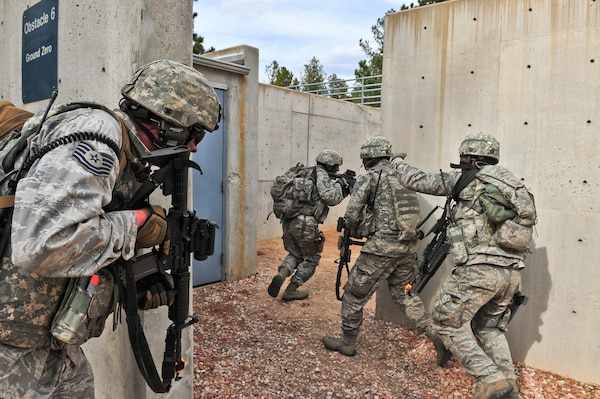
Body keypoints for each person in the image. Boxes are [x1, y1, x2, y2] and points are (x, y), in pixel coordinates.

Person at [0, 60, 221, 398]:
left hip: (55, 347)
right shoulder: (98, 140)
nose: (194, 148)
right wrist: (140, 225)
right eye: (195, 134)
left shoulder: (128, 158)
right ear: (169, 122)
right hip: (11, 350)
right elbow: (40, 246)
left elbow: (85, 243)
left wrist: (131, 282)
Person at [391, 133, 537, 399]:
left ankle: (489, 379)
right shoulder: (513, 186)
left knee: (444, 320)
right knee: (489, 328)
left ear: (469, 158)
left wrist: (397, 163)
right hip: (512, 274)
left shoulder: (466, 179)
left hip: (478, 272)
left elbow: (415, 179)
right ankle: (509, 388)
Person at [322, 136, 449, 366]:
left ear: (368, 158)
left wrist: (357, 227)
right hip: (408, 246)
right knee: (403, 295)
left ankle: (348, 343)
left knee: (353, 294)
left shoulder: (370, 177)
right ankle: (436, 335)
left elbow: (351, 215)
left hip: (381, 248)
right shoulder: (404, 175)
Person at [268, 149, 350, 301]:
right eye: (336, 166)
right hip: (305, 224)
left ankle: (282, 274)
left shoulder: (304, 172)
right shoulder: (322, 175)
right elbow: (330, 198)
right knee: (312, 258)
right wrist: (341, 184)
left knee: (295, 253)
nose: (338, 169)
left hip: (288, 220)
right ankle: (291, 290)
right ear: (329, 165)